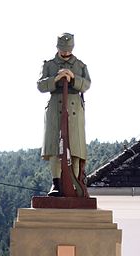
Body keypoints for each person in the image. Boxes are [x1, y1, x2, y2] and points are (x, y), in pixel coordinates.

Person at [37, 33, 91, 196]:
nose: (66, 53)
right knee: (54, 147)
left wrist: (73, 77)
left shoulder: (80, 65)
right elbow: (40, 85)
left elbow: (87, 85)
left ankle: (74, 184)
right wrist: (56, 78)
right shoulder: (49, 64)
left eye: (68, 50)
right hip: (55, 107)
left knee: (75, 148)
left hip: (74, 108)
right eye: (63, 50)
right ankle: (56, 183)